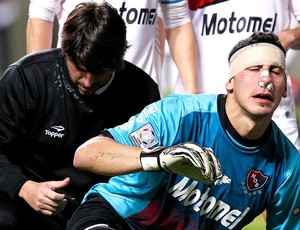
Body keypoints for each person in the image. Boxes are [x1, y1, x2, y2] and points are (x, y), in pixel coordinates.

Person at [66, 32, 300, 230]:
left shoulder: (288, 166)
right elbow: (87, 155)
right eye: (254, 68)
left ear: (285, 89)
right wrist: (160, 159)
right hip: (118, 219)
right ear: (230, 82)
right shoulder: (180, 114)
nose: (265, 80)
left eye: (275, 71)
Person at [0, 2, 161, 230]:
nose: (87, 82)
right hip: (26, 196)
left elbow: (144, 172)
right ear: (66, 52)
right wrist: (25, 187)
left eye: (99, 73)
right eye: (80, 68)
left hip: (98, 206)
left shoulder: (141, 92)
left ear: (118, 62)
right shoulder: (27, 78)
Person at [164, 0, 300, 150]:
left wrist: (290, 36)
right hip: (201, 109)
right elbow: (173, 18)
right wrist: (192, 100)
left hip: (271, 114)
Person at [26, 0, 200, 96]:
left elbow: (177, 20)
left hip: (136, 97)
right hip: (72, 89)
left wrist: (192, 92)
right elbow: (41, 16)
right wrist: (40, 85)